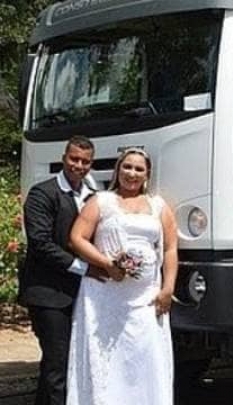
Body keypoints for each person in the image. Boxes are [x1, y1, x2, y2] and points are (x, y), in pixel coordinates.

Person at [67, 148, 178, 405]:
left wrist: (168, 289)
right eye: (127, 167)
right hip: (105, 294)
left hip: (147, 296)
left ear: (147, 174)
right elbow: (77, 238)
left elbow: (171, 248)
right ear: (118, 170)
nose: (132, 173)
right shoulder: (101, 201)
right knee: (107, 356)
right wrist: (107, 264)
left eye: (139, 169)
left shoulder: (158, 206)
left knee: (145, 355)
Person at [20, 135, 102, 405]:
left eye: (85, 161)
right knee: (58, 362)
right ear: (64, 158)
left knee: (66, 363)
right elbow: (40, 243)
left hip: (80, 293)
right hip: (47, 293)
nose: (79, 165)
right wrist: (83, 268)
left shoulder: (93, 195)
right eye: (74, 159)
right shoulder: (42, 194)